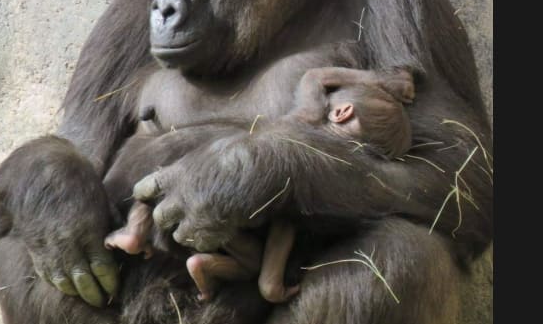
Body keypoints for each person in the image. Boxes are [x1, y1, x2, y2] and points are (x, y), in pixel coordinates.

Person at [105, 66, 414, 302]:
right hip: (218, 211)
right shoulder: (308, 122)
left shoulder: (306, 116)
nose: (357, 158)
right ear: (343, 112)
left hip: (197, 199)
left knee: (155, 185)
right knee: (252, 259)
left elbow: (315, 77)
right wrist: (271, 285)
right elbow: (284, 229)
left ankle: (135, 230)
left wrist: (373, 80)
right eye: (365, 151)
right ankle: (203, 269)